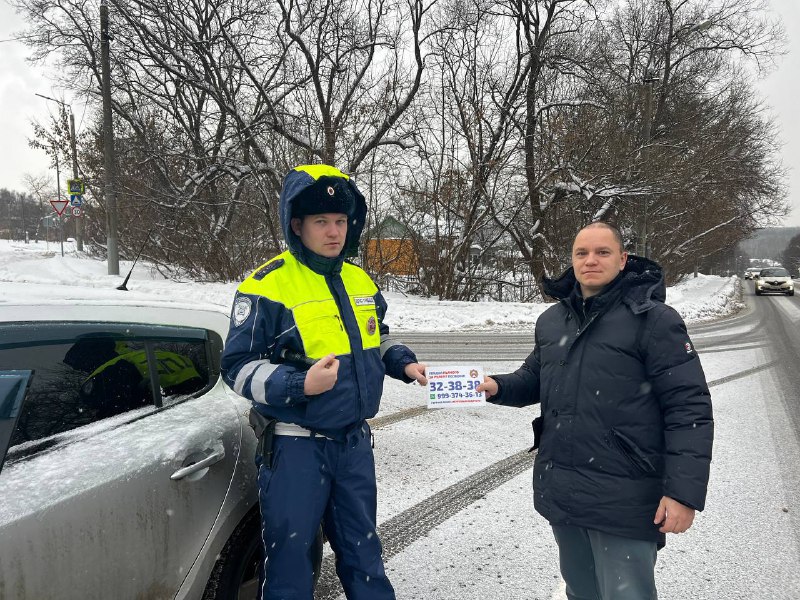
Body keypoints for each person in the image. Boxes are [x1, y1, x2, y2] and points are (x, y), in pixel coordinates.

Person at [220, 164, 427, 600]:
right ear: (297, 225)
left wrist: (405, 365)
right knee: (292, 567)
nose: (333, 232)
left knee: (364, 555)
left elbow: (378, 336)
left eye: (340, 221)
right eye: (321, 222)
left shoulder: (359, 279)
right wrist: (299, 385)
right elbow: (236, 367)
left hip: (353, 446)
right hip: (296, 448)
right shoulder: (268, 286)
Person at [477, 221, 713, 600]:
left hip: (625, 496)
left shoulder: (654, 321)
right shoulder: (553, 321)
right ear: (571, 261)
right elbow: (534, 377)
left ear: (622, 260)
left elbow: (689, 408)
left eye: (602, 252)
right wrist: (497, 386)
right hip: (565, 492)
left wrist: (683, 494)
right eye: (581, 253)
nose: (591, 260)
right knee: (580, 591)